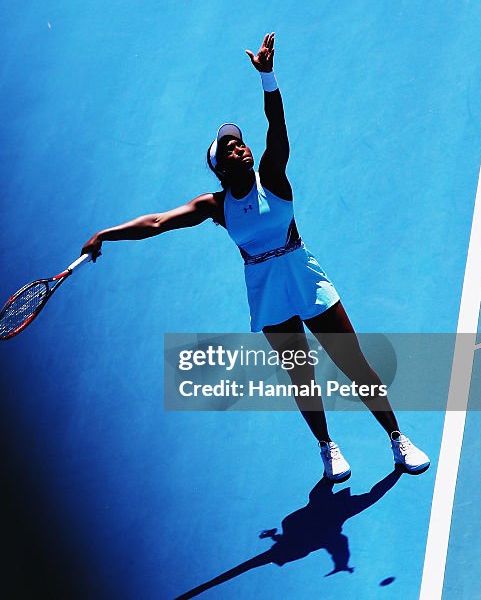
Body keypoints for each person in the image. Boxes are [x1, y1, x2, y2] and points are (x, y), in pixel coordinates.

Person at [80, 32, 429, 481]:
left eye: (239, 142)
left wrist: (268, 77)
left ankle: (397, 438)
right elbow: (156, 223)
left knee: (353, 363)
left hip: (305, 278)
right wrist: (104, 234)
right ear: (221, 168)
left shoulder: (273, 176)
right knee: (301, 376)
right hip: (267, 292)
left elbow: (277, 129)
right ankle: (327, 447)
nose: (239, 146)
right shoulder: (216, 206)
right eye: (229, 148)